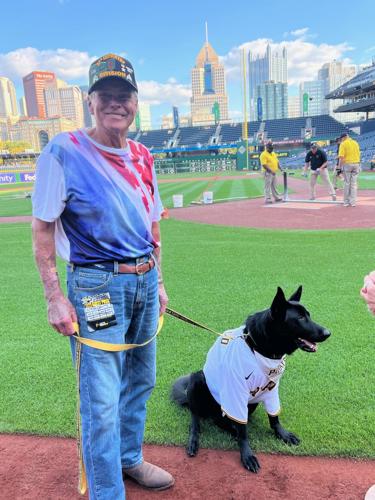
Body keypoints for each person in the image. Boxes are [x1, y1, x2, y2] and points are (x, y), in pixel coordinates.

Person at [31, 53, 174, 499]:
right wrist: (55, 296)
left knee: (140, 380)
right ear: (90, 101)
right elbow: (42, 228)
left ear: (135, 102)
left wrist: (161, 280)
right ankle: (107, 491)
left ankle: (128, 457)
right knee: (101, 397)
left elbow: (152, 226)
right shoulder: (63, 151)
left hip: (145, 281)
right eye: (105, 94)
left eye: (124, 95)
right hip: (96, 285)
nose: (116, 102)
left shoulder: (144, 155)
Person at [338, 132, 361, 207]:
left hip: (347, 164)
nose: (341, 140)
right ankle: (353, 202)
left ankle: (346, 202)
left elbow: (341, 157)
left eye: (341, 138)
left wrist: (339, 168)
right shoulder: (355, 143)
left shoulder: (343, 143)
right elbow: (358, 154)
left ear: (344, 137)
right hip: (356, 163)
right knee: (354, 184)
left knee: (347, 183)